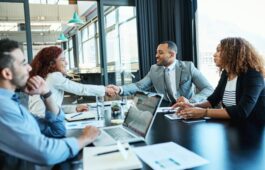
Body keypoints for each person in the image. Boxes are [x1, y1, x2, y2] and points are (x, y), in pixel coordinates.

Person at [0, 39, 100, 168]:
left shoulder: (12, 104)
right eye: (23, 63)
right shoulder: (4, 108)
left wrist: (46, 94)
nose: (29, 67)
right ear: (7, 73)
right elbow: (45, 153)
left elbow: (57, 131)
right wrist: (85, 139)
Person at [174, 37, 265, 122]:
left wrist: (203, 112)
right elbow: (213, 100)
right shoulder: (226, 73)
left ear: (232, 54)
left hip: (253, 128)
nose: (214, 54)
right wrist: (192, 106)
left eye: (219, 50)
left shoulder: (253, 76)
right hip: (232, 127)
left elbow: (242, 111)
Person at [108, 41, 213, 106]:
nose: (156, 55)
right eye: (157, 52)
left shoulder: (188, 67)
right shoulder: (154, 69)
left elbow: (208, 89)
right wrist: (120, 89)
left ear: (172, 54)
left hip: (186, 109)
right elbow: (139, 86)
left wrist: (191, 101)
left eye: (160, 53)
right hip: (164, 110)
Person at [29, 46, 115, 117]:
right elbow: (81, 89)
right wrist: (105, 90)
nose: (66, 62)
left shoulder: (45, 77)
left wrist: (74, 109)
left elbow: (52, 107)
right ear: (52, 64)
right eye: (62, 59)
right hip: (44, 123)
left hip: (39, 121)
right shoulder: (54, 77)